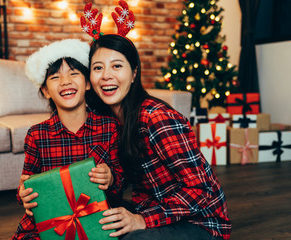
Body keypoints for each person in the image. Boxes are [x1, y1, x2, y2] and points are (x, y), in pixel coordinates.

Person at [87, 34, 231, 240]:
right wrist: (109, 178)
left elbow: (201, 190)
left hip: (201, 222)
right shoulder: (108, 121)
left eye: (117, 66)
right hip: (153, 209)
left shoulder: (156, 118)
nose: (106, 76)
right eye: (98, 68)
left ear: (134, 73)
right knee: (93, 217)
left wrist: (142, 220)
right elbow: (123, 179)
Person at [11, 38, 124, 240]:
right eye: (55, 77)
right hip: (52, 222)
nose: (65, 82)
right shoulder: (37, 135)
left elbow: (120, 180)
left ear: (88, 83)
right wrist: (23, 194)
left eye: (74, 73)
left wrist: (111, 177)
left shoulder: (109, 127)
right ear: (45, 90)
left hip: (97, 219)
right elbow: (27, 184)